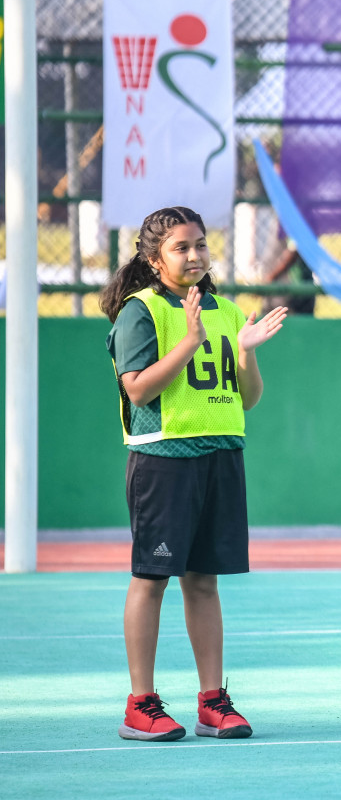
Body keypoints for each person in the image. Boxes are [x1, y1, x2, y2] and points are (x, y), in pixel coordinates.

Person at [102, 206, 287, 741]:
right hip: (164, 459)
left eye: (201, 245)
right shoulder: (141, 312)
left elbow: (247, 399)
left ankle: (212, 700)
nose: (195, 256)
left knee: (203, 582)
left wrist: (248, 355)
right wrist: (187, 341)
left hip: (221, 456)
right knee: (152, 579)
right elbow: (138, 388)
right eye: (181, 248)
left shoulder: (226, 311)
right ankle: (141, 703)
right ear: (153, 258)